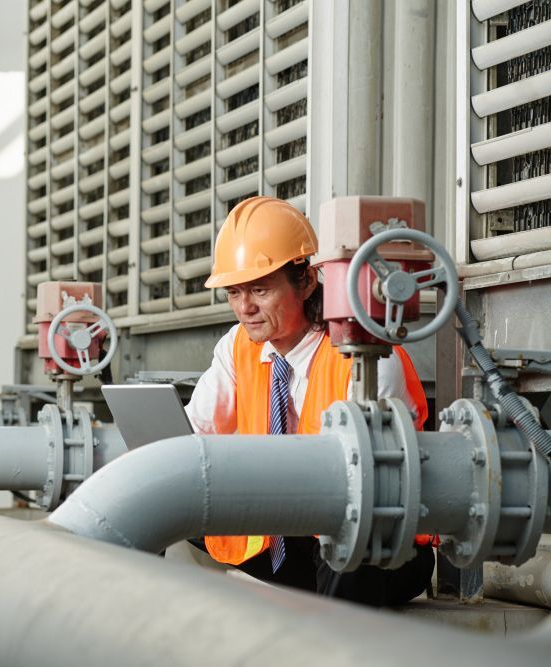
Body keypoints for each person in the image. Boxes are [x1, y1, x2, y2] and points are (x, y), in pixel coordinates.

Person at [184, 196, 435, 606]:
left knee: (348, 549)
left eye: (260, 290)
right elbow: (195, 430)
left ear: (306, 282)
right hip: (291, 536)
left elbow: (377, 488)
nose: (244, 308)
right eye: (234, 292)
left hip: (376, 546)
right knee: (174, 501)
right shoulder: (237, 347)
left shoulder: (364, 359)